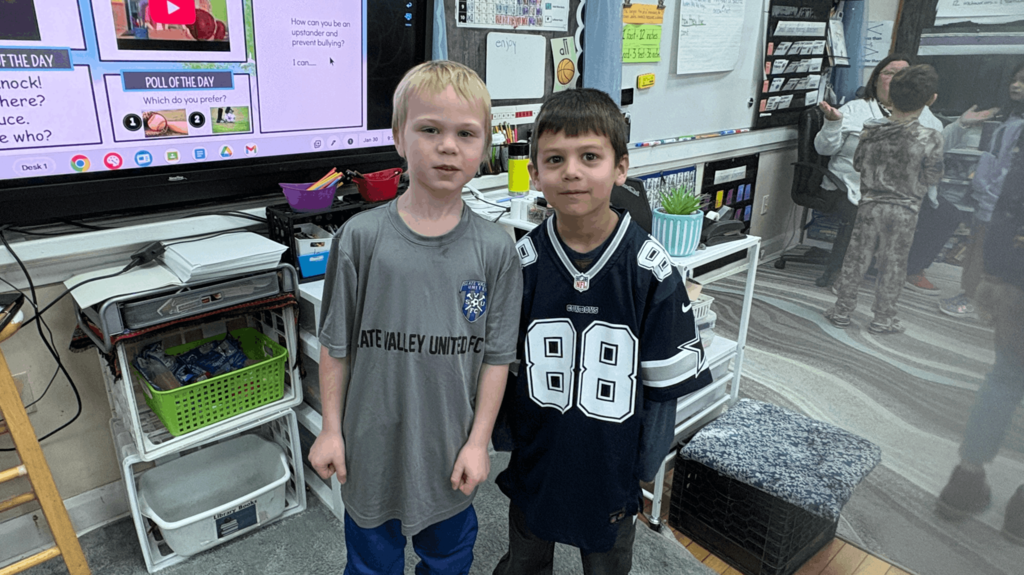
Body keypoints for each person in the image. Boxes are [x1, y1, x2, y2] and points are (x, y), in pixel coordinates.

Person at [308, 60, 523, 574]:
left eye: (466, 133)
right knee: (369, 565)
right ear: (399, 138)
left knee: (447, 561)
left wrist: (479, 443)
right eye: (429, 129)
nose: (448, 146)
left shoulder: (498, 249)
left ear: (485, 146)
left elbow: (497, 359)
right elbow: (335, 346)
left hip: (450, 453)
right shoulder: (359, 238)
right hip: (369, 450)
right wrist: (330, 430)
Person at [492, 88, 712, 574]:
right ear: (535, 174)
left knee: (608, 565)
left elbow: (661, 391)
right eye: (555, 159)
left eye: (589, 156)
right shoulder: (521, 263)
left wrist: (644, 469)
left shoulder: (650, 270)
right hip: (538, 456)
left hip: (611, 464)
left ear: (620, 168)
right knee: (525, 559)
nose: (571, 171)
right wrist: (507, 443)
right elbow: (501, 370)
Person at [936, 126, 1024, 545]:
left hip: (1017, 272)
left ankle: (965, 481)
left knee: (1004, 378)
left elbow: (1009, 204)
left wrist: (995, 271)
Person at [824, 65, 944, 334]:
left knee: (856, 259)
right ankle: (883, 318)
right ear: (930, 100)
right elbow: (934, 175)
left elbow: (857, 164)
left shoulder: (870, 130)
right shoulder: (930, 137)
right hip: (905, 209)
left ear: (890, 98)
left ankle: (842, 310)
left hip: (869, 204)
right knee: (894, 263)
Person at [938, 61, 1024, 317]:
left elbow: (1012, 171)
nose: (1016, 85)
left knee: (984, 254)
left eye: (1023, 81)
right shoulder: (1013, 118)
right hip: (988, 198)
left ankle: (974, 299)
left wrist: (991, 195)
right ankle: (972, 295)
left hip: (1000, 203)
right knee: (977, 248)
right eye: (1014, 80)